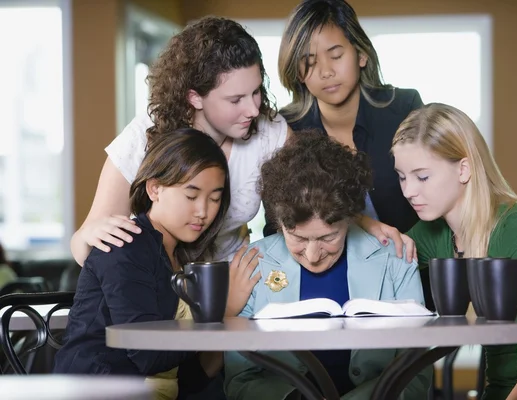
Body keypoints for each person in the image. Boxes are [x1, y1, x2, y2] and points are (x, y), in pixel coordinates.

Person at [71, 15, 409, 318]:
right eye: (235, 100)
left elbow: (315, 193)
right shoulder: (147, 134)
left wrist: (365, 223)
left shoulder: (269, 131)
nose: (252, 109)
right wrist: (88, 236)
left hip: (230, 287)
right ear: (195, 98)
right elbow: (87, 243)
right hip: (153, 290)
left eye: (256, 92)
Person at [392, 103, 517, 400]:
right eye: (401, 176)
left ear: (463, 169)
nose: (408, 191)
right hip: (502, 390)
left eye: (422, 177)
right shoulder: (436, 232)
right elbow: (378, 257)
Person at [224, 132, 431, 400]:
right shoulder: (252, 263)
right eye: (297, 237)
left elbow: (415, 374)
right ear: (279, 222)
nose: (312, 255)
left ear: (350, 218)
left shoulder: (395, 257)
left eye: (327, 238)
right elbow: (240, 380)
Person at [54, 129, 239, 399]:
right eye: (191, 195)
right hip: (95, 391)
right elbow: (146, 352)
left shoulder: (185, 257)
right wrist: (215, 324)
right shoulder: (125, 244)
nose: (203, 211)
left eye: (214, 198)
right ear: (155, 189)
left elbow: (180, 377)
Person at [274, 0, 422, 255]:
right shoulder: (286, 128)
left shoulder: (405, 108)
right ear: (298, 72)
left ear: (361, 54)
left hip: (412, 262)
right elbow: (278, 222)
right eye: (309, 62)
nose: (326, 72)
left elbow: (439, 199)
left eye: (336, 56)